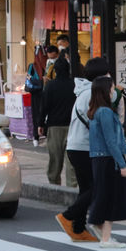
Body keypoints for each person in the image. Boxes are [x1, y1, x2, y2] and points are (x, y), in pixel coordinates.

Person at [56, 56, 111, 242]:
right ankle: (68, 216)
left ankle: (78, 229)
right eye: (107, 73)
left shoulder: (85, 91)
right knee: (97, 187)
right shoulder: (91, 93)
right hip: (84, 147)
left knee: (86, 188)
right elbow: (97, 120)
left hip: (76, 145)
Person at [87, 75, 126, 248]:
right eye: (112, 89)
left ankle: (99, 228)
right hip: (108, 159)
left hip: (99, 158)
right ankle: (106, 238)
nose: (114, 92)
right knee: (111, 198)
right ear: (105, 91)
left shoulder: (96, 111)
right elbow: (110, 141)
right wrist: (122, 164)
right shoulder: (105, 112)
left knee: (104, 196)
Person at [38, 57, 77, 187]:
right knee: (71, 160)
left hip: (54, 126)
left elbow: (44, 106)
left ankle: (54, 185)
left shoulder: (50, 86)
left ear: (55, 70)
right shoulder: (74, 85)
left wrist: (40, 124)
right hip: (73, 126)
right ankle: (72, 187)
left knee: (55, 159)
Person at [25, 58, 44, 146]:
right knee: (36, 115)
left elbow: (29, 78)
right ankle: (36, 136)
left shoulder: (47, 65)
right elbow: (28, 78)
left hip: (40, 94)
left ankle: (39, 136)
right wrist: (40, 82)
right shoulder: (32, 66)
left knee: (40, 115)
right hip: (36, 95)